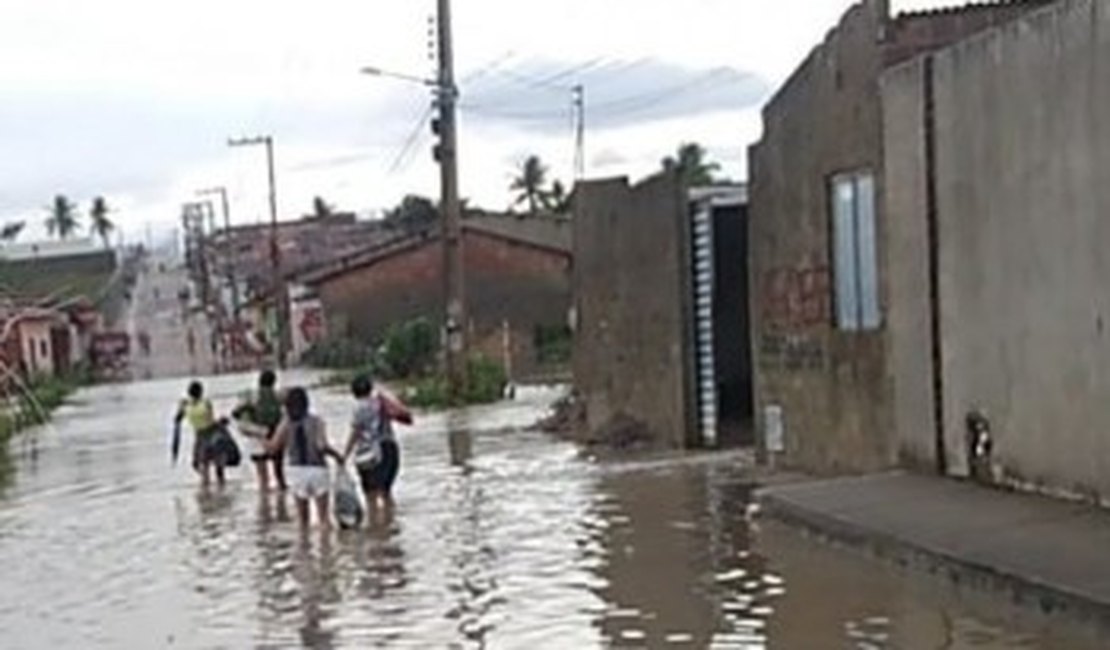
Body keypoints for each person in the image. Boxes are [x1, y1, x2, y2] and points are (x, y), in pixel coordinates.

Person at [265, 387, 342, 529]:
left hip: (297, 471)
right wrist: (337, 456)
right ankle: (326, 549)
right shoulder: (317, 421)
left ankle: (303, 549)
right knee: (324, 518)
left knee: (302, 521)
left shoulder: (285, 424)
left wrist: (261, 438)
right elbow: (322, 446)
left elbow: (273, 448)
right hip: (318, 469)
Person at [343, 375, 411, 510]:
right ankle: (390, 522)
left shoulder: (358, 408)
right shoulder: (381, 402)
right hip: (389, 448)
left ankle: (375, 527)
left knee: (371, 496)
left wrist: (344, 455)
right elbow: (403, 413)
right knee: (386, 492)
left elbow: (355, 433)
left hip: (369, 455)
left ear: (353, 392)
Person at [232, 370, 287, 492]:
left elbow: (235, 413)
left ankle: (264, 503)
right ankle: (281, 499)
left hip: (258, 436)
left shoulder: (251, 395)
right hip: (275, 433)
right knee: (278, 471)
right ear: (274, 382)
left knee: (262, 475)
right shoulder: (278, 395)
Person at [173, 381, 227, 488]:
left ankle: (205, 489)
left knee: (203, 465)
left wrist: (182, 406)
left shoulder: (186, 407)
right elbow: (210, 418)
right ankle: (221, 487)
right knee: (219, 466)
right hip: (213, 434)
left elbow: (177, 419)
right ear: (201, 392)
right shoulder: (206, 403)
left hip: (199, 436)